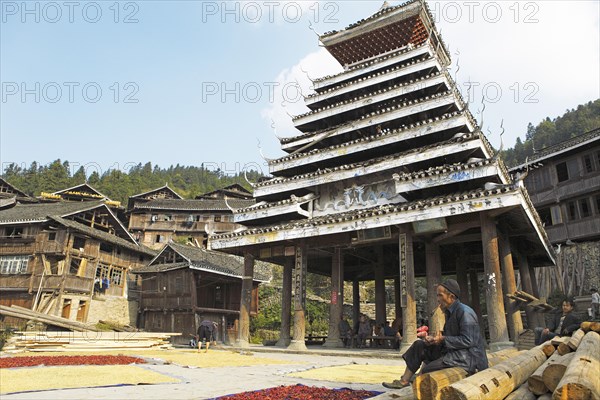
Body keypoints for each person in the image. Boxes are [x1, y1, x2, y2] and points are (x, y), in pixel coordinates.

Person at [382, 279, 488, 389]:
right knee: (419, 345)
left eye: (440, 296)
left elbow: (469, 340)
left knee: (428, 370)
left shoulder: (464, 312)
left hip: (468, 358)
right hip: (455, 352)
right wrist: (433, 340)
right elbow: (449, 337)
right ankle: (404, 381)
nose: (437, 299)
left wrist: (442, 339)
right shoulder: (450, 312)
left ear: (451, 297)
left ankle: (419, 380)